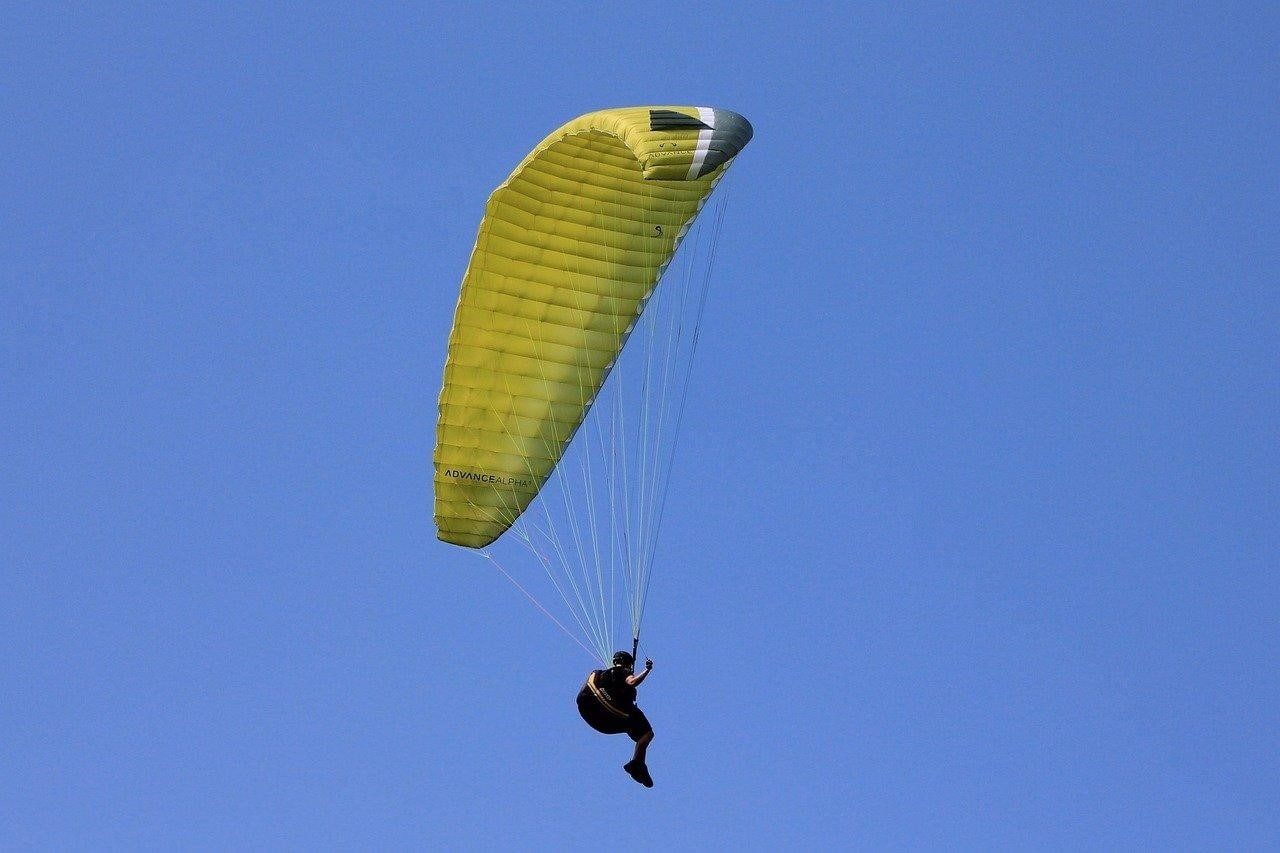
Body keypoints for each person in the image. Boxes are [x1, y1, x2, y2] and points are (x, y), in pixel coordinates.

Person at [576, 651, 655, 787]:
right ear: (627, 664)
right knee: (647, 733)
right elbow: (632, 682)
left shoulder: (602, 674)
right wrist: (647, 670)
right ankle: (637, 764)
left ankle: (638, 765)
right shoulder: (623, 672)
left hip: (588, 709)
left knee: (634, 718)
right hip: (609, 715)